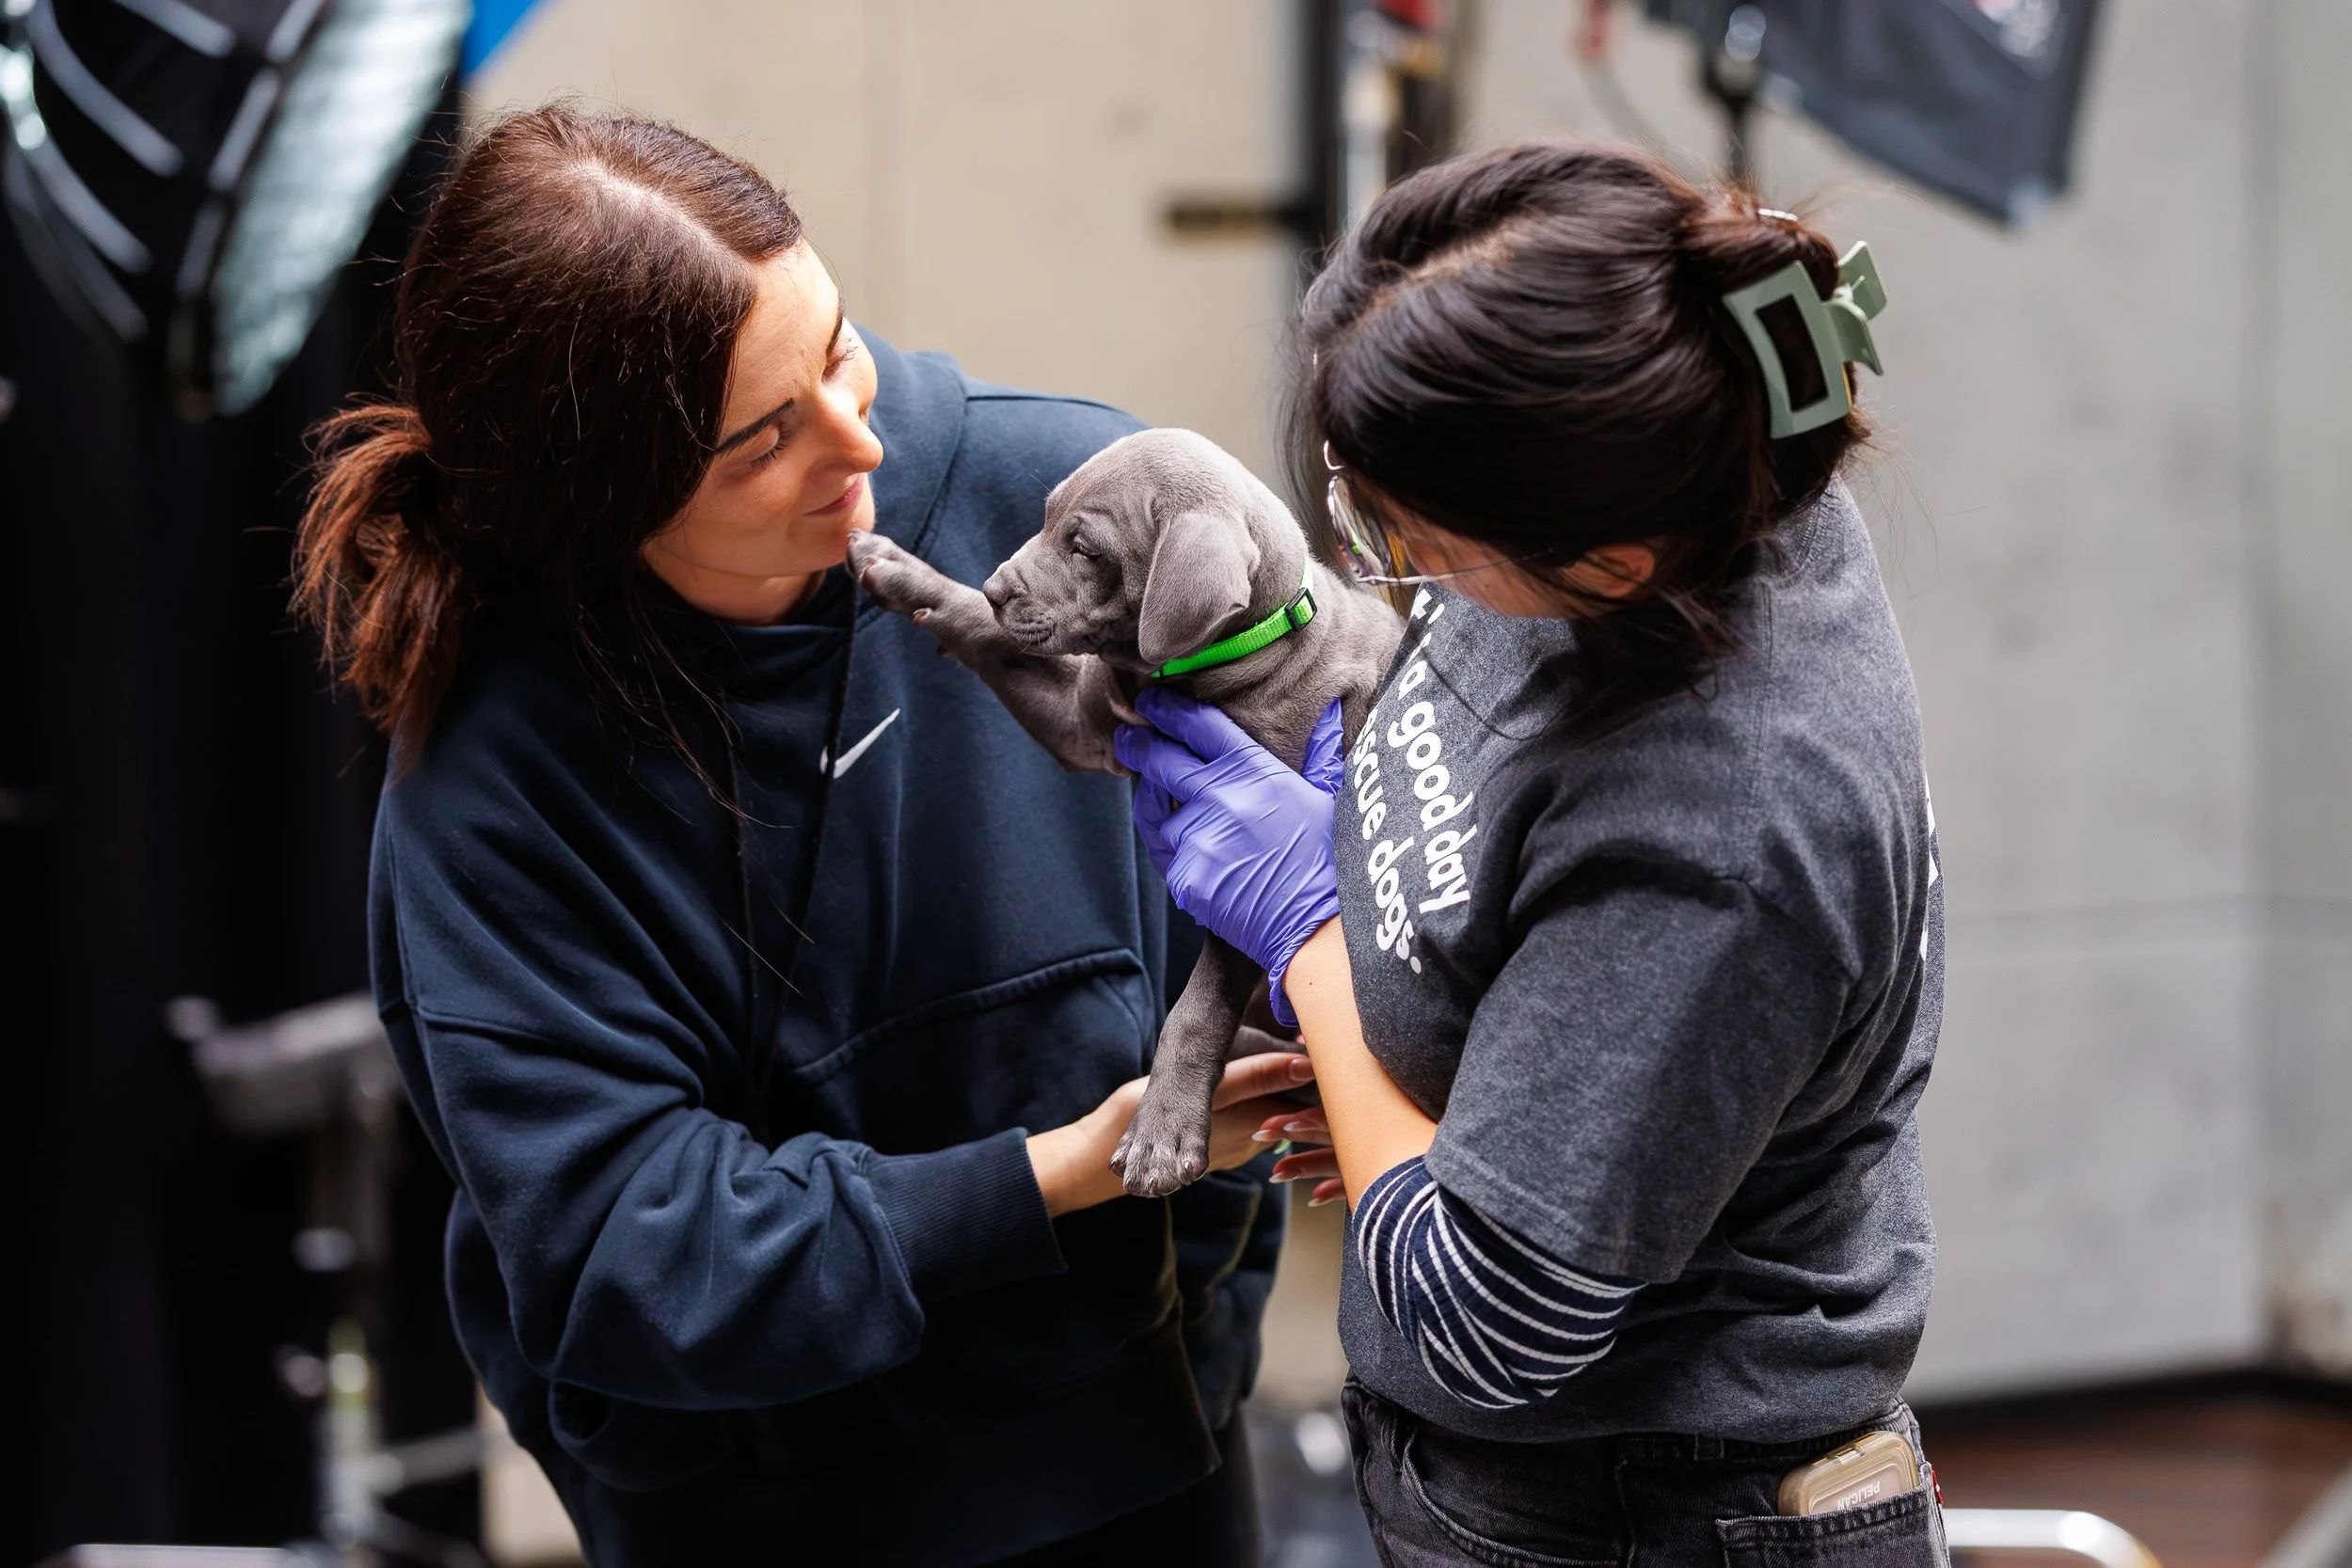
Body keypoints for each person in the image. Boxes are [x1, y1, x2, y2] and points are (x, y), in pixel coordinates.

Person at [294, 105, 1308, 1568]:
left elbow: (1269, 921)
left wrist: (1190, 1332)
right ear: (604, 501)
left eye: (837, 350)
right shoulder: (496, 777)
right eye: (764, 437)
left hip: (1142, 1463)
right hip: (749, 1521)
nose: (859, 438)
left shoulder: (1084, 503)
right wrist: (1060, 1172)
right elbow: (627, 1248)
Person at [1116, 143, 1950, 1562]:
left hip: (1642, 1505)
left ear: (1608, 564)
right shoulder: (1692, 469)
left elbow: (1483, 1324)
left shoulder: (1723, 832)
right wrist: (1441, 1102)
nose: (1376, 552)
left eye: (1405, 534)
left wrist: (1316, 940)